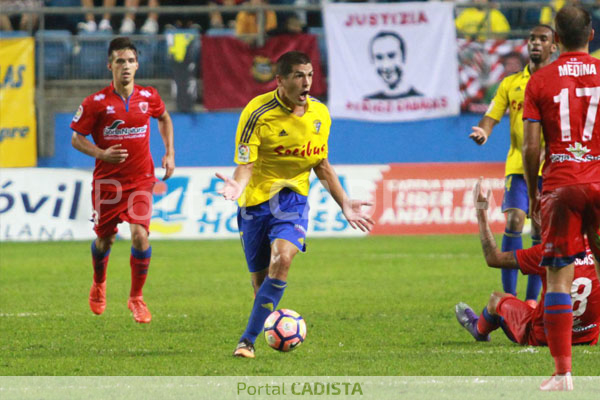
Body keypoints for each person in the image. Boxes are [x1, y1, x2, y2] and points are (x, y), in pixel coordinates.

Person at [216, 51, 374, 358]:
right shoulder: (257, 113)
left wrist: (344, 203)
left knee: (283, 259)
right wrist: (238, 184)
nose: (307, 83)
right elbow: (246, 164)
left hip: (291, 200)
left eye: (310, 75)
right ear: (281, 80)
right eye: (299, 76)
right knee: (260, 286)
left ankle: (246, 341)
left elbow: (322, 164)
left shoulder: (320, 115)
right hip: (254, 203)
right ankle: (263, 328)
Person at [70, 37, 175, 324]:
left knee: (140, 235)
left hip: (141, 179)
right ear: (110, 66)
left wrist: (169, 153)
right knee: (105, 240)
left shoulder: (148, 96)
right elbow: (76, 138)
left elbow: (164, 118)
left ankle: (136, 298)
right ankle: (99, 282)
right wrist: (101, 152)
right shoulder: (96, 103)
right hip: (108, 184)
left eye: (130, 61)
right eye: (120, 61)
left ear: (137, 65)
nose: (126, 66)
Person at [522, 5, 600, 391]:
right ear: (590, 34)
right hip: (599, 179)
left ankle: (563, 373)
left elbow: (532, 147)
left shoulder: (539, 81)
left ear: (554, 38)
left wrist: (534, 190)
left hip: (561, 184)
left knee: (557, 279)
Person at [455, 178, 599, 350]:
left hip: (544, 336)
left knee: (496, 299)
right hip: (588, 336)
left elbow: (493, 258)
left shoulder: (547, 251)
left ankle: (478, 329)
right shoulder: (595, 243)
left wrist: (481, 214)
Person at [469, 25, 556, 309]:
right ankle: (510, 296)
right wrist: (484, 132)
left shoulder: (558, 83)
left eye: (543, 39)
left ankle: (532, 300)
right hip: (519, 166)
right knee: (514, 220)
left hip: (553, 168)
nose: (536, 43)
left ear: (553, 47)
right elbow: (491, 116)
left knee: (541, 233)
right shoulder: (511, 83)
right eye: (532, 38)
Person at [365, 31, 422, 100]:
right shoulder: (368, 101)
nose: (386, 65)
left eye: (391, 56)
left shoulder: (420, 98)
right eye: (379, 58)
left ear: (403, 57)